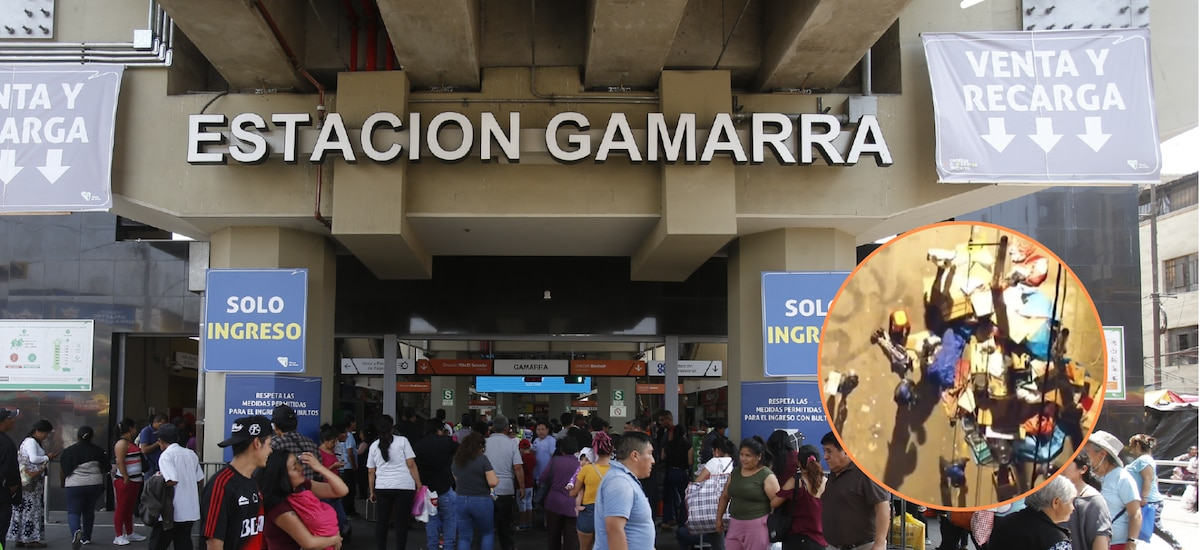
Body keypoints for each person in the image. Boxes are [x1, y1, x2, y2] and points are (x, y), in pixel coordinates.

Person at [200, 415, 274, 550]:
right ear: (257, 443)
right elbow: (214, 544)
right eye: (269, 444)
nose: (270, 450)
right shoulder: (221, 484)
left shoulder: (252, 481)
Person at [256, 450, 347, 550]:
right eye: (295, 468)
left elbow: (341, 490)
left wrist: (321, 468)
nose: (301, 468)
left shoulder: (300, 487)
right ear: (281, 475)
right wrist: (335, 539)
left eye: (298, 463)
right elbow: (309, 543)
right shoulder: (278, 508)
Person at [819, 431, 889, 550]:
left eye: (829, 451)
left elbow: (883, 507)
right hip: (833, 546)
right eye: (824, 451)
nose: (825, 456)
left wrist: (880, 543)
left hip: (861, 546)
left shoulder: (865, 473)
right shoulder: (834, 474)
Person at [367, 414, 422, 550]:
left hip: (383, 487)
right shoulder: (403, 441)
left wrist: (372, 491)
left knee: (382, 522)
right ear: (392, 428)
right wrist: (418, 483)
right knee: (401, 523)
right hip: (404, 487)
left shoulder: (374, 446)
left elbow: (371, 471)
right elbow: (411, 464)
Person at [716, 436, 781, 550]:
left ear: (759, 457)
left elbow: (776, 502)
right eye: (741, 455)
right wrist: (719, 519)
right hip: (735, 524)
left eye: (748, 456)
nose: (743, 459)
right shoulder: (735, 473)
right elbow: (725, 496)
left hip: (757, 526)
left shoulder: (767, 475)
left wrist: (769, 524)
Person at [595, 431, 656, 550]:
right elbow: (614, 530)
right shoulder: (619, 482)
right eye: (650, 453)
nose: (653, 460)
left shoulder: (625, 480)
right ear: (635, 456)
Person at [1083, 431, 1142, 550]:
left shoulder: (1122, 478)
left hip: (1116, 543)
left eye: (1087, 452)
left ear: (1102, 454)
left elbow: (1135, 513)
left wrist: (1131, 541)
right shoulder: (1088, 476)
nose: (1083, 456)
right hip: (1090, 542)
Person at [150, 423, 205, 550]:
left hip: (171, 510)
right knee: (184, 542)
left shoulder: (166, 456)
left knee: (158, 543)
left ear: (161, 441)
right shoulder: (191, 454)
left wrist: (156, 481)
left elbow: (172, 480)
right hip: (190, 509)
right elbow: (200, 479)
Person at [1125, 434, 1183, 549]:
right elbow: (1154, 479)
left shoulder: (1144, 460)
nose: (1130, 449)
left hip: (1150, 501)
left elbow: (1148, 479)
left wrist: (1144, 497)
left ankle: (1177, 546)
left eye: (1131, 445)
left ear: (1137, 445)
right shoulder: (1147, 459)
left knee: (1155, 527)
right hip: (1149, 499)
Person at [986, 475, 1074, 550]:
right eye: (1070, 501)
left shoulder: (1006, 522)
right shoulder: (1057, 542)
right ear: (1056, 502)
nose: (1073, 508)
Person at [8, 418, 57, 548]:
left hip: (29, 483)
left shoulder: (30, 442)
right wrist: (48, 457)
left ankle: (21, 537)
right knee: (31, 509)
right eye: (46, 433)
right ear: (38, 431)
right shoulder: (31, 442)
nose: (46, 436)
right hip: (31, 484)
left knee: (23, 509)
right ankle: (30, 538)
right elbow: (34, 458)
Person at [60, 425, 111, 550]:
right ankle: (86, 537)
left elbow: (63, 471)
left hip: (74, 484)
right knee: (88, 510)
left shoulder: (68, 451)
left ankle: (76, 532)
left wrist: (63, 483)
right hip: (94, 484)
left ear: (78, 436)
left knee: (74, 511)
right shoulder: (98, 450)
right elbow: (107, 468)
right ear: (92, 436)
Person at [414, 418, 459, 550]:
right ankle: (448, 546)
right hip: (445, 487)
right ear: (439, 430)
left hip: (427, 491)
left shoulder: (419, 445)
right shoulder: (447, 442)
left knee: (431, 521)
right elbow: (461, 451)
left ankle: (432, 546)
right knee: (450, 519)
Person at [770, 444, 826, 550]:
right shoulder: (826, 482)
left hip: (796, 539)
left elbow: (774, 503)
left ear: (799, 463)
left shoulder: (796, 482)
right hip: (820, 540)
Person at [483, 415, 525, 550]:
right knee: (505, 524)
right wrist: (522, 487)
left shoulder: (484, 443)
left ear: (493, 428)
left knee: (486, 523)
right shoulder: (512, 444)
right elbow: (518, 467)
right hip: (506, 489)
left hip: (486, 488)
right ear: (507, 429)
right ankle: (507, 547)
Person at [451, 433, 499, 550]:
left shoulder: (457, 460)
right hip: (481, 499)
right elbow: (492, 482)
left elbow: (456, 479)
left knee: (464, 536)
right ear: (480, 446)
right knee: (487, 532)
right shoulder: (482, 459)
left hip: (461, 499)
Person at [1059, 450, 1112, 550]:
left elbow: (1101, 540)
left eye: (1066, 462)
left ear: (1083, 469)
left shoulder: (1093, 501)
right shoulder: (1053, 497)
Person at [570, 432, 613, 550]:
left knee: (585, 547)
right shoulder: (616, 469)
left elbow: (573, 493)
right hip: (609, 512)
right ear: (611, 449)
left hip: (588, 511)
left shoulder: (586, 469)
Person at [540, 437, 581, 550]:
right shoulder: (580, 464)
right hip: (573, 504)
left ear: (562, 449)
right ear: (576, 449)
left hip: (554, 502)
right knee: (572, 537)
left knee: (553, 535)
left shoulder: (554, 461)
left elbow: (543, 478)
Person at [113, 417, 148, 545]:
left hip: (135, 479)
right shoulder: (122, 443)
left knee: (129, 507)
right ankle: (118, 535)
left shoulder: (130, 443)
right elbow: (120, 461)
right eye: (133, 427)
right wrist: (125, 476)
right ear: (130, 429)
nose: (135, 429)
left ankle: (129, 532)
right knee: (122, 507)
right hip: (125, 480)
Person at [659, 412, 692, 530]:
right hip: (682, 473)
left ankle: (666, 521)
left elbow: (662, 457)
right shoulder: (688, 444)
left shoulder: (668, 444)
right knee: (684, 498)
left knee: (668, 497)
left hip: (670, 472)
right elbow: (690, 461)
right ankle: (682, 522)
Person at [272, 405, 321, 480]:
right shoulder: (311, 444)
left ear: (275, 426)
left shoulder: (274, 444)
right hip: (309, 489)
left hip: (283, 491)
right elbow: (319, 472)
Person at [317, 424, 349, 538]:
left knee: (341, 517)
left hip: (334, 488)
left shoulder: (333, 451)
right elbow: (319, 472)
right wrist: (333, 466)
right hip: (325, 488)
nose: (334, 444)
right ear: (325, 440)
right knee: (328, 517)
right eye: (332, 441)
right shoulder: (319, 452)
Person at [0, 408, 22, 550]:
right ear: (3, 421)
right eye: (11, 418)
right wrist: (13, 488)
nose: (13, 421)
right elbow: (10, 471)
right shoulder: (6, 443)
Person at [339, 415, 359, 519]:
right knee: (350, 491)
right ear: (351, 423)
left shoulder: (342, 435)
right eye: (354, 422)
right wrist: (354, 465)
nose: (356, 424)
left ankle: (347, 511)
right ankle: (349, 512)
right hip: (348, 466)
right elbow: (350, 452)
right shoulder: (349, 436)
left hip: (343, 466)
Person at [517, 438, 536, 530]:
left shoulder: (521, 458)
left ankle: (522, 523)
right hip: (530, 484)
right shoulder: (533, 457)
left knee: (522, 505)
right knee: (529, 503)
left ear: (520, 448)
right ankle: (529, 522)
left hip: (522, 485)